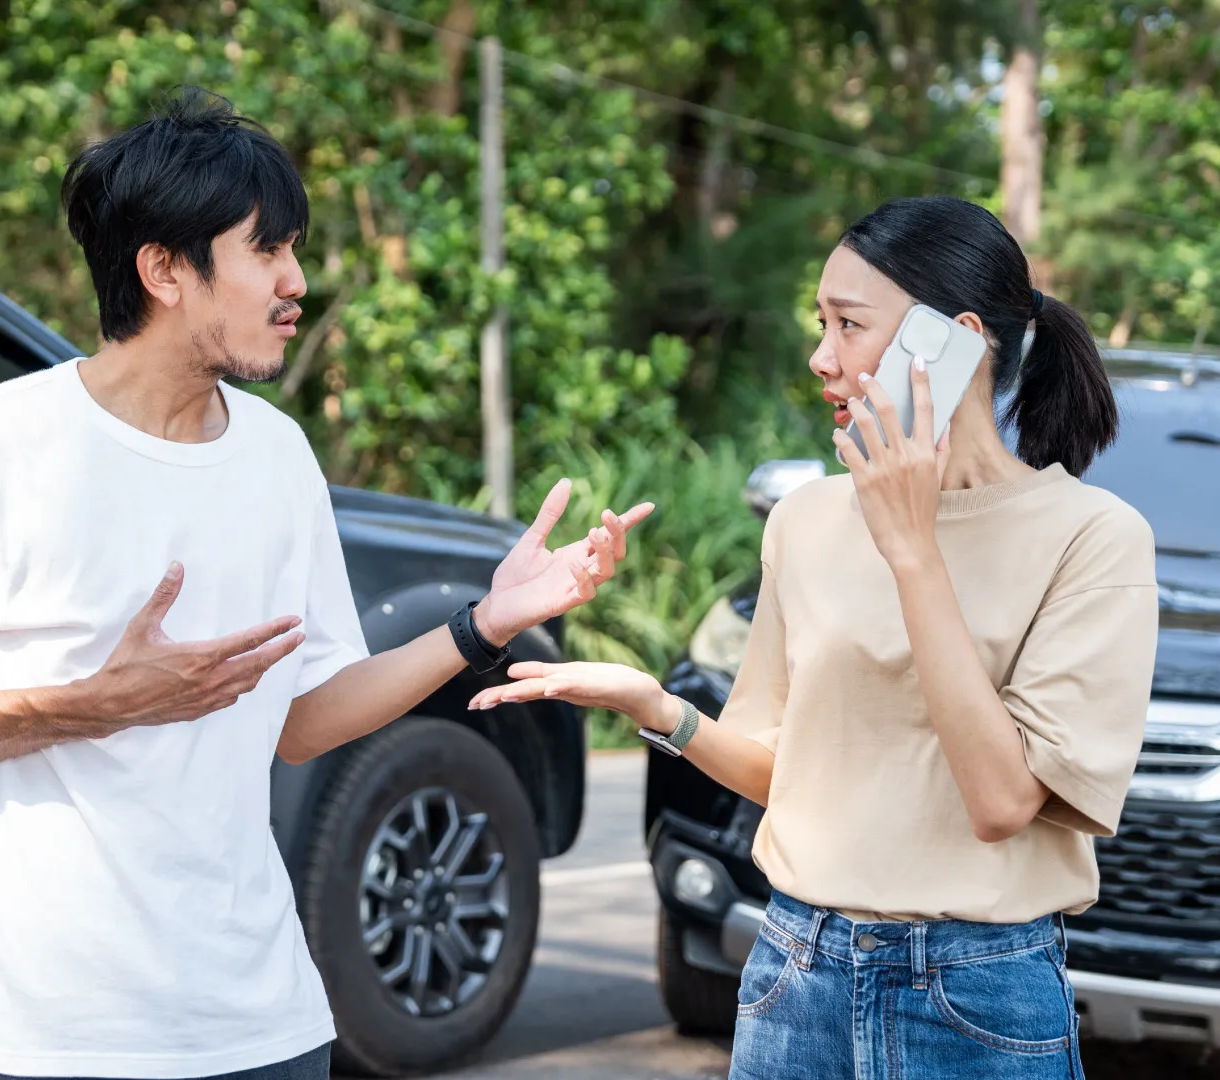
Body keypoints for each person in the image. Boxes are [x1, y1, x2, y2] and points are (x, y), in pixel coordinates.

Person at [0, 89, 652, 1080]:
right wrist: (89, 707)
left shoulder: (277, 455)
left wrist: (484, 623)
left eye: (294, 249)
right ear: (163, 269)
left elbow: (302, 720)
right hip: (40, 1040)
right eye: (266, 250)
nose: (295, 280)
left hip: (263, 1030)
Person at [471, 196, 1158, 1079]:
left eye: (848, 324)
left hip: (977, 997)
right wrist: (660, 708)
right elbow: (782, 774)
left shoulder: (1092, 538)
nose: (820, 357)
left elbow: (1001, 802)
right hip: (795, 973)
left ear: (952, 341)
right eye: (819, 322)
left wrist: (913, 550)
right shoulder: (806, 521)